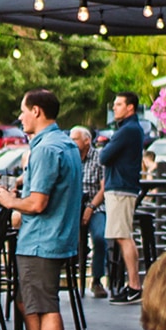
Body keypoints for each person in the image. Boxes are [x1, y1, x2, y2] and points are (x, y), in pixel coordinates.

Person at [0, 90, 80, 330]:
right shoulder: (66, 143)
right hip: (54, 236)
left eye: (23, 111)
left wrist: (10, 201)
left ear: (36, 111)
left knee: (45, 306)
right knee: (26, 301)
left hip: (42, 239)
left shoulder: (45, 149)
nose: (20, 117)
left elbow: (38, 203)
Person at [100, 92, 146, 301]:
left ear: (130, 108)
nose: (115, 108)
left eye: (119, 104)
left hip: (120, 187)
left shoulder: (127, 131)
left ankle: (134, 285)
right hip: (124, 187)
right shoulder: (132, 129)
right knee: (124, 235)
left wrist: (106, 144)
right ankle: (133, 285)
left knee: (123, 236)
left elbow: (104, 156)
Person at [72, 126, 108, 298]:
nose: (71, 143)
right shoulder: (70, 157)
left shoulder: (100, 157)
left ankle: (96, 279)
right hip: (73, 206)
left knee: (100, 237)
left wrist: (91, 208)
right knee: (67, 238)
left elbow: (104, 188)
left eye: (75, 139)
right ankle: (72, 278)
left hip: (96, 204)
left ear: (86, 140)